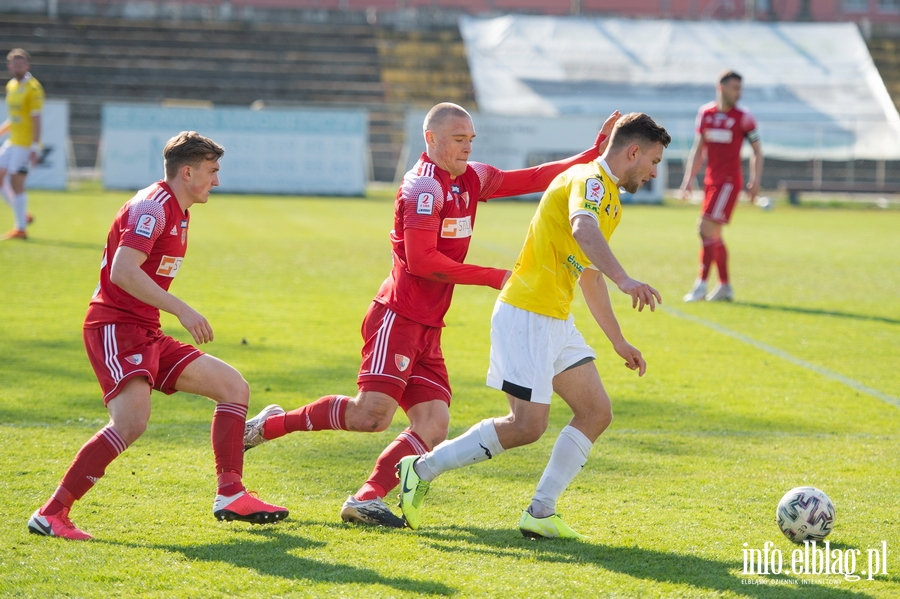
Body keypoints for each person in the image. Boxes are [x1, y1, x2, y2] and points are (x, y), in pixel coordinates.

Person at [242, 102, 622, 528]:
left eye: (470, 139)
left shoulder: (472, 177)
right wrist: (496, 276)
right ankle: (273, 424)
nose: (467, 147)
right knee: (371, 416)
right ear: (432, 139)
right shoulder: (423, 189)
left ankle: (366, 498)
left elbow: (534, 177)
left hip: (429, 326)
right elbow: (422, 261)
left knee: (434, 423)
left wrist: (595, 153)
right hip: (398, 318)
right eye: (458, 140)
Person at [397, 112, 670, 539]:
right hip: (526, 312)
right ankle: (421, 468)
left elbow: (588, 273)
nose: (654, 172)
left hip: (555, 317)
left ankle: (541, 511)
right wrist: (626, 278)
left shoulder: (610, 199)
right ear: (632, 152)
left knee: (596, 412)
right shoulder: (590, 181)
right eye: (653, 161)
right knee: (527, 426)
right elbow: (582, 228)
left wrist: (617, 340)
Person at [27, 131, 288, 541]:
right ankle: (52, 513)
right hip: (115, 327)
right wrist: (182, 309)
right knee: (131, 422)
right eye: (211, 171)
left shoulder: (178, 209)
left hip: (145, 329)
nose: (216, 181)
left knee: (232, 387)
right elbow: (123, 271)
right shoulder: (152, 207)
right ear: (187, 172)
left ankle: (231, 494)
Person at [680, 70, 764, 302]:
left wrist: (755, 180)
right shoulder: (705, 114)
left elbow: (757, 150)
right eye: (734, 88)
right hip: (710, 181)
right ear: (721, 88)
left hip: (728, 183)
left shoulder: (744, 117)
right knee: (713, 234)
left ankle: (701, 285)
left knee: (703, 229)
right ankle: (725, 286)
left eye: (740, 88)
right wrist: (689, 179)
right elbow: (698, 149)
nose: (738, 93)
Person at [0, 48, 42, 240]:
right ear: (10, 66)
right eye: (14, 64)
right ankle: (22, 214)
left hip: (25, 144)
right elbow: (15, 117)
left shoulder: (33, 88)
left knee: (16, 181)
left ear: (27, 66)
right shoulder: (11, 86)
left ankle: (21, 228)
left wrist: (34, 147)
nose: (17, 67)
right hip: (12, 141)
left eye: (21, 64)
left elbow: (36, 119)